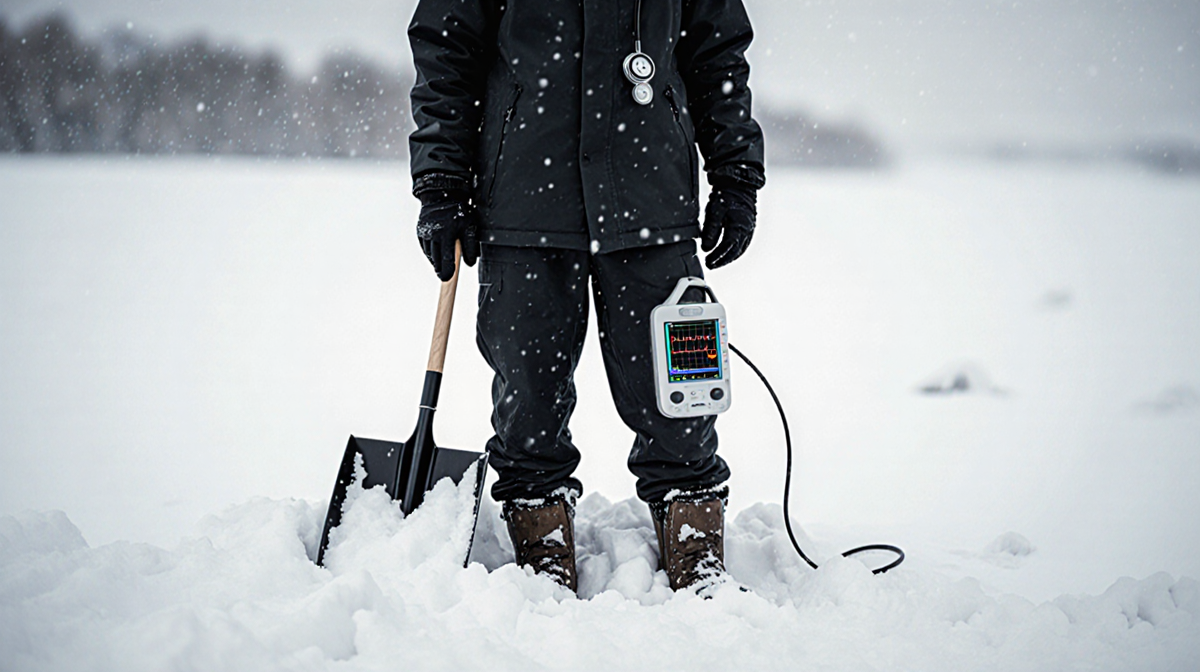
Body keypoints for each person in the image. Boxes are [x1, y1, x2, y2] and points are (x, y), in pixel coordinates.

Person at [407, 0, 764, 593]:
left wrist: (735, 172)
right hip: (522, 203)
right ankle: (542, 547)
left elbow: (717, 49)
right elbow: (447, 47)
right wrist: (441, 182)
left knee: (681, 398)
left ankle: (695, 544)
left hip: (653, 198)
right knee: (528, 398)